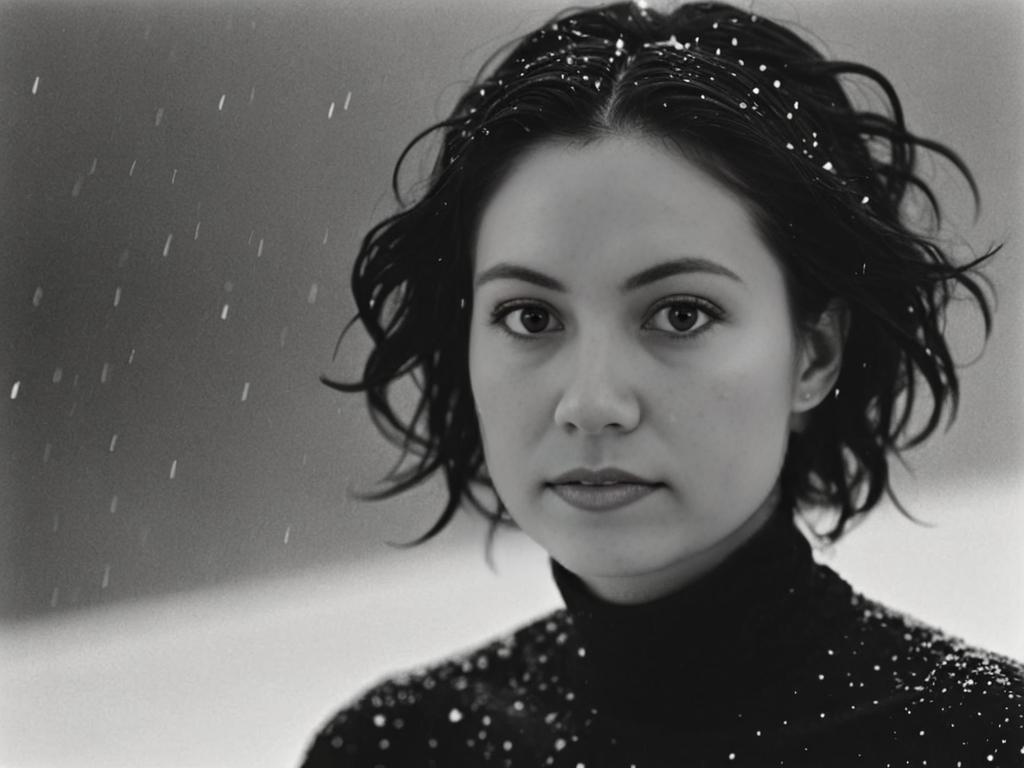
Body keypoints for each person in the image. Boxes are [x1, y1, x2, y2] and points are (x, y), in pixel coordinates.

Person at [301, 2, 1023, 765]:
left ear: (812, 354)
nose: (592, 404)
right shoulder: (393, 748)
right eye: (530, 317)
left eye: (679, 314)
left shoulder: (984, 743)